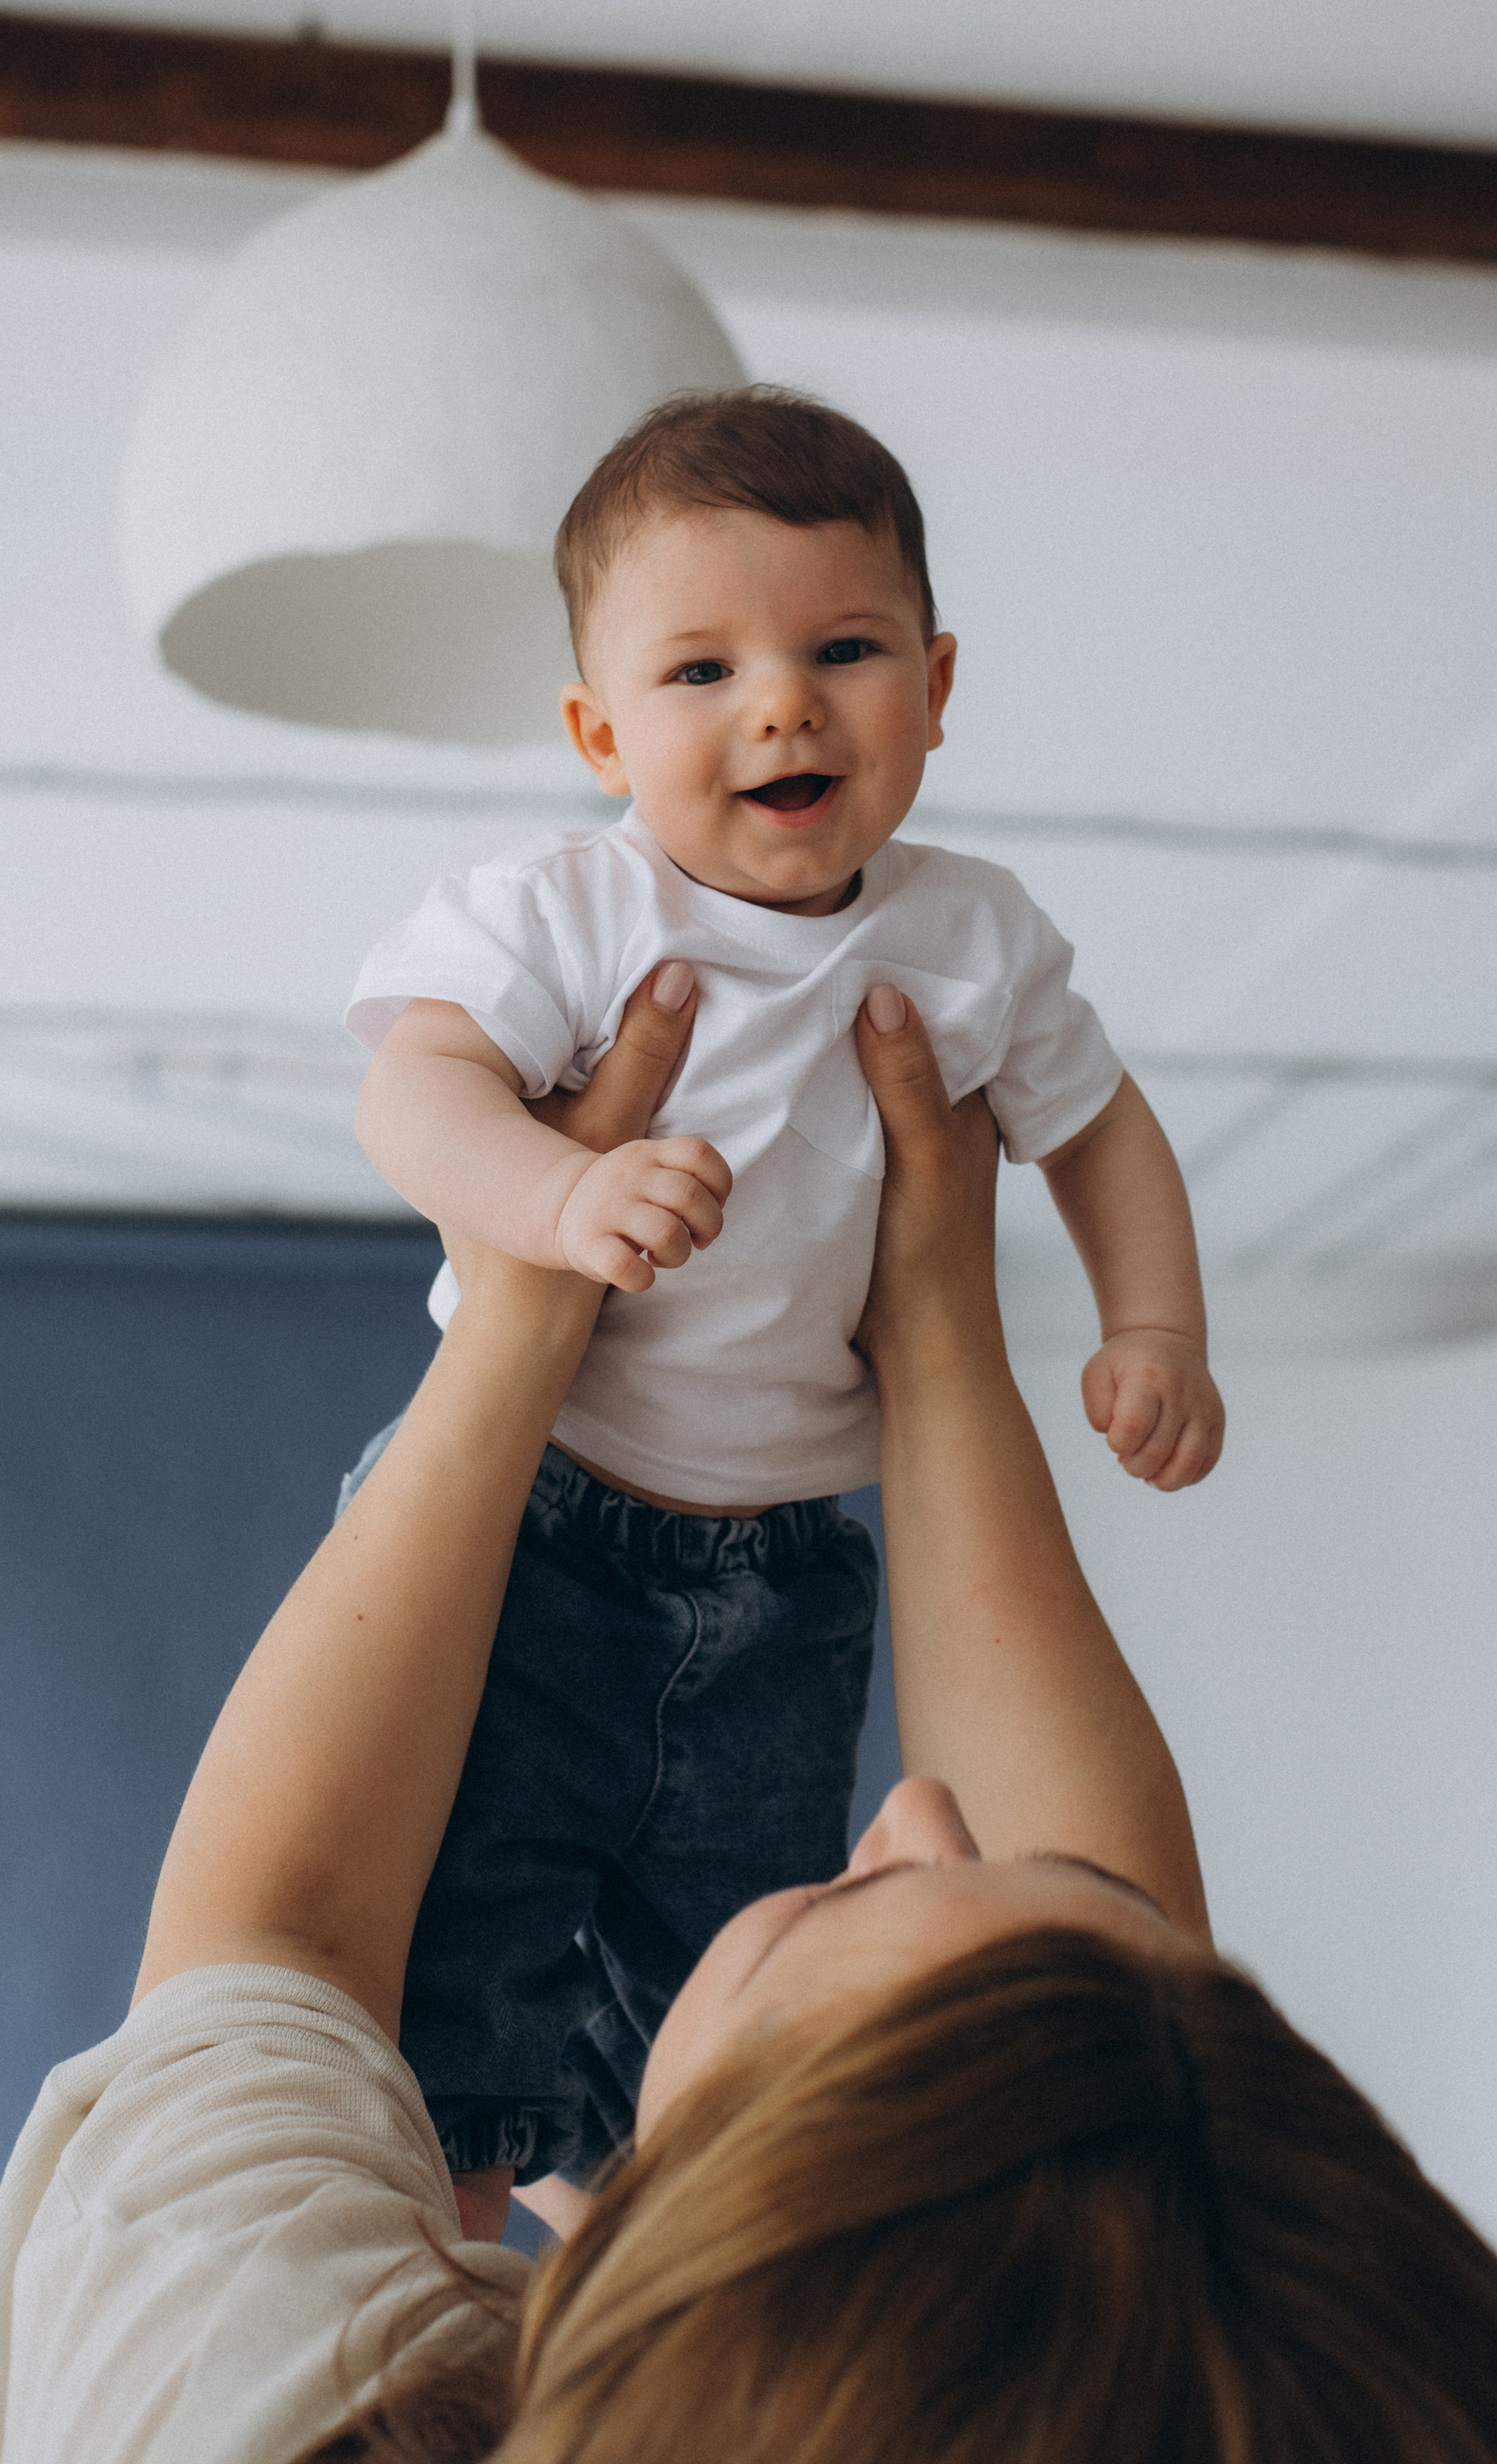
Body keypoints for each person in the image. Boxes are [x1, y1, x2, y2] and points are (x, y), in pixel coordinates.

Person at [0, 988, 1497, 2464]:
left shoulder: (247, 2401)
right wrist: (927, 1315)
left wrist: (519, 1311)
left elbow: (285, 1942)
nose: (911, 1809)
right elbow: (1124, 2143)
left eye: (855, 1905)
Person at [342, 385, 1225, 2222]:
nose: (780, 702)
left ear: (937, 679)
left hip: (783, 1559)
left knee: (735, 1933)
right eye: (698, 672)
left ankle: (650, 2234)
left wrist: (1153, 1330)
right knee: (473, 1910)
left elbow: (1105, 1133)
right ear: (596, 728)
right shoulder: (568, 914)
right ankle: (445, 2228)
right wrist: (559, 1190)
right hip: (536, 1515)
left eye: (844, 647)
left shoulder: (972, 937)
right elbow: (412, 1097)